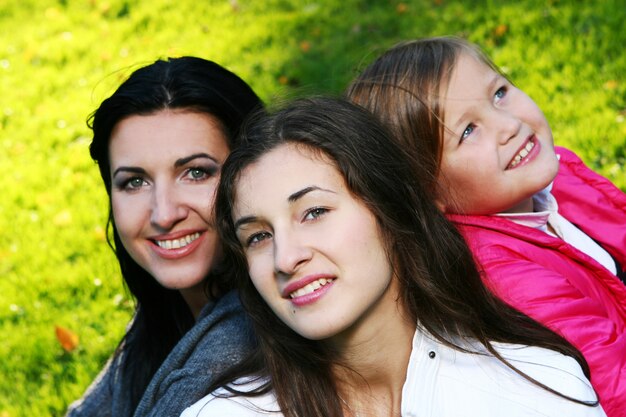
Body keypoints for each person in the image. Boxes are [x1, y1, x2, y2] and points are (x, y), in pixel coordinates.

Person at [181, 97, 604, 417]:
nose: (285, 258)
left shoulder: (536, 388)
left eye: (314, 212)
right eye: (257, 236)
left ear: (390, 209)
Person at [346, 36, 626, 417]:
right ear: (428, 194)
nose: (508, 125)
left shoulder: (556, 175)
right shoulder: (502, 275)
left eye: (498, 93)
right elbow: (613, 383)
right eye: (467, 131)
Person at [66, 56, 263, 417]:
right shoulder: (163, 315)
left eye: (196, 172)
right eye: (134, 181)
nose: (164, 213)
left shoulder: (240, 347)